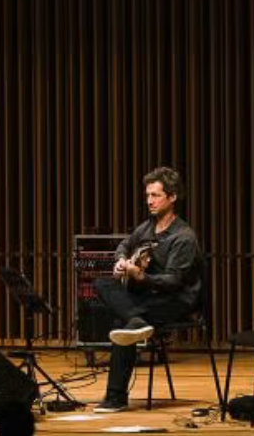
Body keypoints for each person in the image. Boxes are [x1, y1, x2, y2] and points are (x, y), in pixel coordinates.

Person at [92, 167, 202, 413]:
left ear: (172, 197)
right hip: (147, 298)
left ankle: (115, 398)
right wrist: (121, 261)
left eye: (156, 195)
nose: (149, 201)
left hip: (176, 301)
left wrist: (140, 275)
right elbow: (124, 245)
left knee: (124, 324)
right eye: (148, 195)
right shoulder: (146, 228)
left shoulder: (183, 236)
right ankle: (138, 320)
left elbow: (174, 282)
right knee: (101, 283)